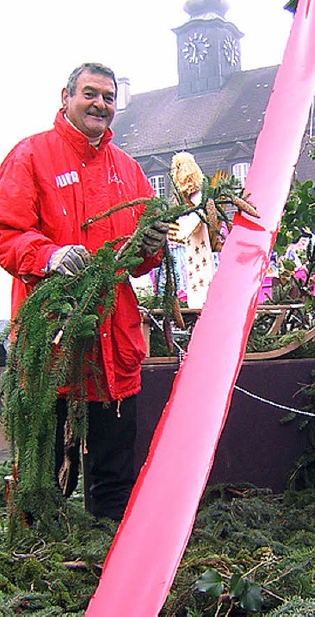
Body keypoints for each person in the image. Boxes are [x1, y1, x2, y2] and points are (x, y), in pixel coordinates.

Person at [0, 62, 169, 521]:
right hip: (52, 345)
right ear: (66, 97)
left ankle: (107, 564)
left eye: (109, 97)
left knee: (114, 477)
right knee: (43, 475)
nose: (100, 104)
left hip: (114, 348)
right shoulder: (31, 156)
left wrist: (152, 248)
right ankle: (40, 563)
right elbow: (6, 233)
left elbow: (138, 258)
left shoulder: (128, 170)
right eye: (90, 94)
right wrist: (48, 257)